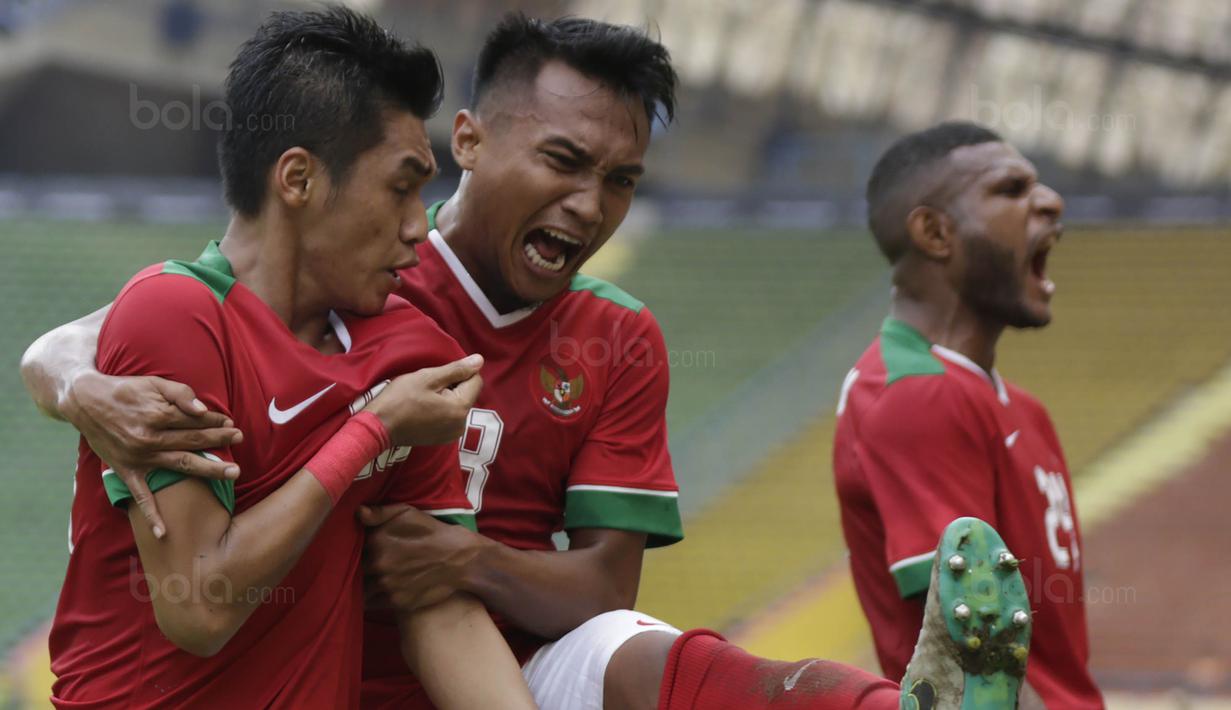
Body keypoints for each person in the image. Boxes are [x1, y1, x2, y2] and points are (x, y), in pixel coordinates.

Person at [23, 16, 1028, 710]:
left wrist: (463, 554)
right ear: (469, 141)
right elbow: (117, 341)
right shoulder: (276, 306)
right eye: (563, 161)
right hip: (255, 671)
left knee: (635, 649)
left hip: (484, 663)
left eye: (621, 181)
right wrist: (77, 383)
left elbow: (515, 598)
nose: (591, 206)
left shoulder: (446, 348)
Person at [28, 7, 535, 709]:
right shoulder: (177, 317)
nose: (420, 224)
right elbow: (198, 608)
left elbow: (439, 611)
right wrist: (373, 432)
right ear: (297, 180)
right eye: (400, 186)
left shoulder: (409, 354)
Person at [832, 121, 1104, 709]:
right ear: (935, 231)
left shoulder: (1020, 408)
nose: (1051, 201)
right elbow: (978, 661)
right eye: (1011, 189)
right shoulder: (913, 394)